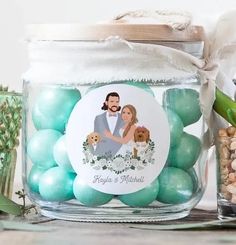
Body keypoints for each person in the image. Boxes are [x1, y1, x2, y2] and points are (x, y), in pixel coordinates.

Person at [94, 92, 124, 157]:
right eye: (112, 101)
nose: (114, 104)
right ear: (106, 103)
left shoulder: (124, 118)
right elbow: (95, 136)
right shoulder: (98, 118)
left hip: (120, 154)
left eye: (117, 102)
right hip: (101, 154)